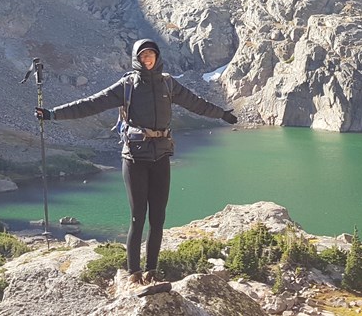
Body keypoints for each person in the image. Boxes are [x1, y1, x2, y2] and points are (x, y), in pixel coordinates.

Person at [35, 38, 237, 295]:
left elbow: (195, 102)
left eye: (151, 54)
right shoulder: (127, 85)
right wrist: (53, 114)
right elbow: (91, 103)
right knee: (137, 216)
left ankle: (151, 272)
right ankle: (133, 274)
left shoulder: (168, 83)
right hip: (134, 157)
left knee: (158, 217)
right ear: (136, 58)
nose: (148, 58)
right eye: (143, 55)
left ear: (157, 56)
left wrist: (221, 113)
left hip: (161, 155)